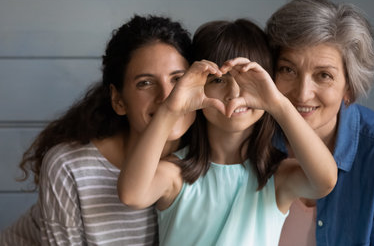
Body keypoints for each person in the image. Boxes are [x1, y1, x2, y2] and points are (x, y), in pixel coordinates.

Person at [117, 19, 338, 246]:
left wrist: (278, 104)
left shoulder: (277, 178)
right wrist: (171, 108)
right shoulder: (175, 174)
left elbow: (326, 181)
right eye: (218, 80)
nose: (234, 94)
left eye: (248, 79)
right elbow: (132, 195)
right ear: (197, 87)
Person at [0, 15, 196, 245]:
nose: (166, 97)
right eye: (145, 82)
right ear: (119, 100)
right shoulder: (70, 165)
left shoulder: (203, 161)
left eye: (178, 79)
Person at [266, 0, 374, 245]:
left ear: (349, 89)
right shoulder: (247, 138)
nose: (302, 93)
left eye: (323, 75)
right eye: (288, 70)